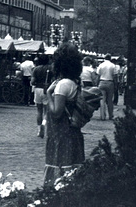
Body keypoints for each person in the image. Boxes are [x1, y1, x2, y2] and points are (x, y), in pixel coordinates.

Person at [44, 42, 84, 185]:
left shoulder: (62, 84)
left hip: (60, 135)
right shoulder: (73, 82)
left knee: (59, 175)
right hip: (72, 135)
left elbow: (56, 113)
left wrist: (48, 94)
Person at [31, 54, 51, 137]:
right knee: (47, 111)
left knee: (39, 110)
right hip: (47, 90)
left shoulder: (36, 69)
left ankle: (39, 129)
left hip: (38, 89)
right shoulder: (51, 69)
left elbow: (32, 81)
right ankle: (44, 123)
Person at [96, 53, 117, 120]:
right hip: (110, 82)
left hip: (102, 82)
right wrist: (116, 84)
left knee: (102, 100)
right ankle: (111, 115)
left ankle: (102, 116)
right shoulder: (113, 65)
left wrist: (97, 84)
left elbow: (98, 76)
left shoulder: (101, 65)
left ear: (104, 58)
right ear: (110, 58)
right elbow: (115, 76)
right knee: (110, 100)